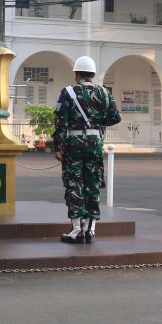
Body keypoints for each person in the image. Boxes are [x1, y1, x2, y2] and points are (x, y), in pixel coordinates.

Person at [53, 56, 122, 243]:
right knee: (92, 184)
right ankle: (90, 230)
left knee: (74, 184)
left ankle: (76, 230)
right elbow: (116, 117)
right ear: (92, 74)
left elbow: (61, 121)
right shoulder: (104, 93)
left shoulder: (68, 92)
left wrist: (58, 147)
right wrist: (96, 123)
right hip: (94, 143)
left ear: (77, 75)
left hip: (73, 143)